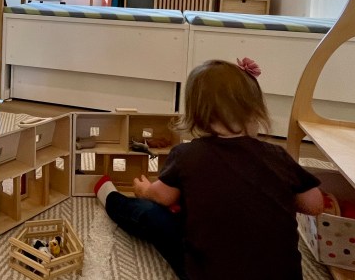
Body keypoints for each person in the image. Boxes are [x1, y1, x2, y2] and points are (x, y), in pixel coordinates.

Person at [93, 58, 324, 280]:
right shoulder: (277, 155)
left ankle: (109, 196)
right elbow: (315, 204)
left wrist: (145, 190)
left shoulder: (187, 155)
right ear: (256, 111)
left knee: (153, 216)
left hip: (208, 274)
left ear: (198, 117)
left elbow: (163, 197)